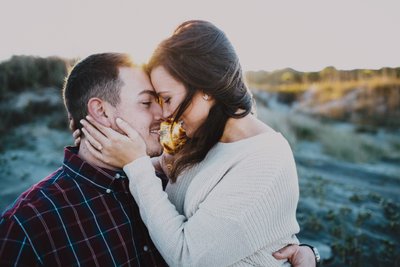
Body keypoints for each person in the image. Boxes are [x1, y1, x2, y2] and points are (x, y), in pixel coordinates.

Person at [80, 20, 318, 266]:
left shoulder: (265, 159)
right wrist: (102, 145)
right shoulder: (204, 138)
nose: (163, 113)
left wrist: (137, 164)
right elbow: (163, 166)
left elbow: (187, 258)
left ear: (206, 87)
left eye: (167, 99)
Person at [0, 53, 168, 266]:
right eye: (146, 102)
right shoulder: (28, 226)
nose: (163, 113)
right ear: (101, 111)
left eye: (161, 101)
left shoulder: (170, 183)